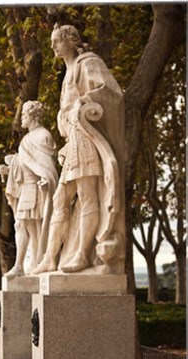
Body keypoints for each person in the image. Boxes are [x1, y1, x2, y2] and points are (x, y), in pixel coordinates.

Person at [33, 24, 125, 275]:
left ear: (70, 41)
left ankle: (84, 255)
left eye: (56, 41)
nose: (52, 46)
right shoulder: (68, 72)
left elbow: (111, 92)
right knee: (59, 199)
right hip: (72, 142)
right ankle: (50, 258)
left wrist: (85, 102)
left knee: (87, 198)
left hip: (86, 141)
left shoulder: (88, 63)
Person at [0, 100, 58, 278]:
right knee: (23, 225)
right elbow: (24, 163)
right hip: (26, 189)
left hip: (37, 189)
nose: (21, 119)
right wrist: (8, 170)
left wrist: (47, 182)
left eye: (24, 115)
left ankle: (34, 262)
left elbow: (48, 168)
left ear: (32, 116)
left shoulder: (43, 136)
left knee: (36, 227)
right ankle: (24, 264)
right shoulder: (26, 139)